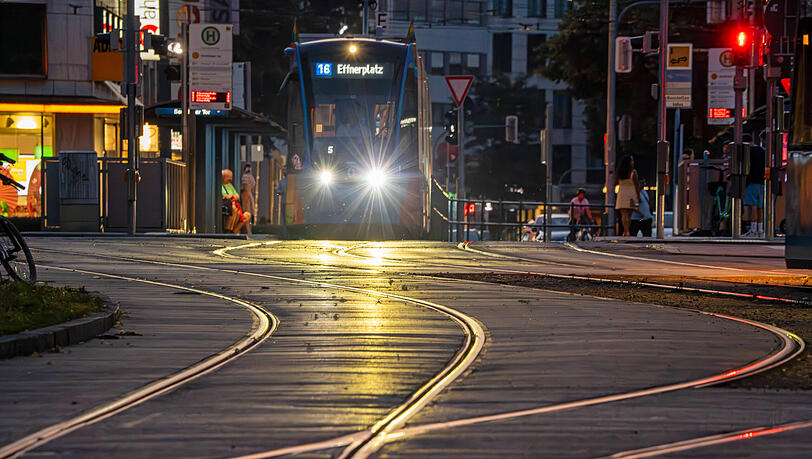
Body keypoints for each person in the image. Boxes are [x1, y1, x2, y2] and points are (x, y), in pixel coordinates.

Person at [743, 134, 766, 237]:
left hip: (751, 181)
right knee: (760, 207)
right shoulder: (761, 151)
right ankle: (760, 230)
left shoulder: (748, 151)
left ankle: (753, 230)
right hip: (761, 181)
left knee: (753, 206)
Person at [615, 155, 640, 236]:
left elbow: (615, 182)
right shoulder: (633, 172)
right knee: (629, 215)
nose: (633, 162)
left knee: (623, 214)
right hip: (631, 194)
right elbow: (637, 185)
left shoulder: (619, 172)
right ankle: (627, 230)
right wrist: (638, 196)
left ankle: (625, 231)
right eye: (632, 161)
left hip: (622, 193)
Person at [221, 169, 248, 234]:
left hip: (234, 204)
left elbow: (237, 196)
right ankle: (228, 229)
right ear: (224, 177)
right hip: (228, 204)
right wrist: (232, 196)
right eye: (229, 179)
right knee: (234, 210)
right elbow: (225, 196)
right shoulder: (221, 185)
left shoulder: (229, 185)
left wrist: (232, 196)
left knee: (247, 215)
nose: (230, 181)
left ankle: (233, 232)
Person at [240, 163, 256, 235]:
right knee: (247, 213)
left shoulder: (247, 176)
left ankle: (248, 231)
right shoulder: (248, 176)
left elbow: (246, 187)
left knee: (247, 213)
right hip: (247, 196)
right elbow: (247, 187)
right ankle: (247, 231)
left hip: (247, 196)